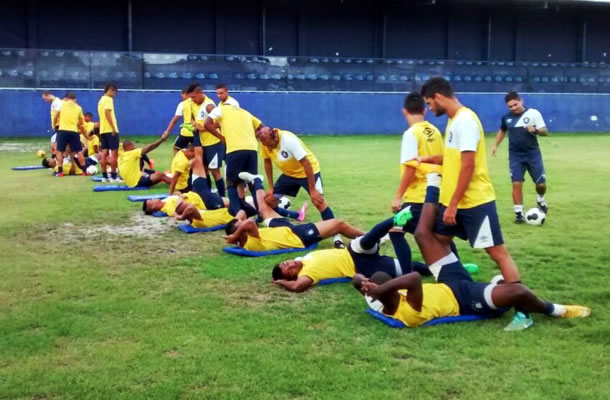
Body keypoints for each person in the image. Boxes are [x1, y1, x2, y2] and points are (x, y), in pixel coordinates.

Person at [353, 173, 590, 329]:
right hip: (465, 298)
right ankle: (555, 310)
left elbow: (362, 282)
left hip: (447, 281)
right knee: (517, 291)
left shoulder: (380, 303)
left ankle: (433, 182)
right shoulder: (407, 313)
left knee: (422, 235)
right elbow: (414, 278)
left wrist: (362, 282)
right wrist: (380, 288)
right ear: (389, 292)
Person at [419, 77, 531, 330]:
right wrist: (429, 158)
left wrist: (453, 206)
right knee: (438, 239)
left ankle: (523, 312)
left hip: (474, 203)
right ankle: (457, 286)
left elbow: (468, 166)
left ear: (438, 96)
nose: (428, 109)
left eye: (428, 103)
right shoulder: (453, 121)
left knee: (497, 253)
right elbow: (454, 158)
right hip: (454, 202)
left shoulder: (466, 121)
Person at [272, 208, 428, 292]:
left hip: (353, 252)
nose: (291, 265)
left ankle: (397, 219)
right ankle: (436, 269)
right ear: (294, 276)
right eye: (290, 271)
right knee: (414, 268)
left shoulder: (304, 259)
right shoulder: (307, 274)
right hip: (363, 267)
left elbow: (295, 263)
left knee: (367, 240)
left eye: (286, 263)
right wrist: (281, 282)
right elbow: (298, 286)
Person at [224, 173, 365, 252]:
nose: (242, 224)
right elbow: (249, 223)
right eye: (240, 227)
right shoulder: (249, 242)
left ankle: (256, 181)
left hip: (287, 230)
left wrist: (235, 232)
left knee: (263, 209)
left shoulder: (246, 236)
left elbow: (245, 220)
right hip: (298, 236)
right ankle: (369, 238)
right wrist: (235, 234)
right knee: (338, 223)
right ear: (239, 235)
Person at [257, 126, 344, 247]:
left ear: (274, 137)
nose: (267, 148)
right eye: (264, 144)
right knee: (269, 200)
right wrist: (271, 187)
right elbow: (267, 162)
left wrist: (313, 190)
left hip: (309, 171)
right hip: (289, 175)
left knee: (318, 201)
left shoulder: (288, 140)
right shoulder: (265, 141)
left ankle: (337, 237)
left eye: (269, 145)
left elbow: (306, 163)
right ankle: (294, 218)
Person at [492, 91, 549, 222]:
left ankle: (540, 199)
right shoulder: (506, 117)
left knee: (541, 184)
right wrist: (495, 145)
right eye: (510, 106)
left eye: (515, 105)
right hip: (515, 155)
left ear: (521, 101)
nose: (513, 108)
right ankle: (519, 214)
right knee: (516, 183)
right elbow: (502, 130)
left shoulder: (534, 113)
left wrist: (534, 130)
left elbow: (545, 132)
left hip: (533, 154)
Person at [204, 102, 264, 216]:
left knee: (231, 182)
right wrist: (251, 137)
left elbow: (207, 124)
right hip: (252, 149)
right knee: (252, 182)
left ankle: (237, 213)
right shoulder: (245, 112)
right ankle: (261, 214)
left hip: (235, 150)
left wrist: (221, 138)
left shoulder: (221, 109)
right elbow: (262, 128)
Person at [190, 84, 226, 197]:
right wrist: (193, 124)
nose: (192, 100)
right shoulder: (194, 104)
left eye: (194, 97)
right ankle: (208, 196)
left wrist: (203, 128)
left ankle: (222, 197)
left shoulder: (209, 105)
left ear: (201, 94)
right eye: (191, 97)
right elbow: (193, 117)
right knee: (204, 170)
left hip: (214, 143)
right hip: (203, 143)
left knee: (215, 171)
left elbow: (220, 121)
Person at [54, 92, 87, 177]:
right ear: (75, 99)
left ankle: (60, 171)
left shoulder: (62, 104)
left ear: (66, 98)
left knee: (59, 151)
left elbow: (55, 115)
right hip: (73, 131)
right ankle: (84, 171)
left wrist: (54, 125)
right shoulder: (78, 108)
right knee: (79, 151)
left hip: (62, 130)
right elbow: (81, 122)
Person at [98, 83, 121, 182]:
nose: (115, 95)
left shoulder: (101, 100)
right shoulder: (108, 99)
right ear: (111, 90)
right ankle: (113, 176)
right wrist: (113, 128)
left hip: (102, 130)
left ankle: (104, 176)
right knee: (114, 153)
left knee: (104, 153)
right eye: (115, 93)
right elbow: (108, 114)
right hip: (109, 130)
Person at [163, 89, 194, 153]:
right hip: (197, 132)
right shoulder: (197, 102)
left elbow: (175, 120)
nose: (182, 98)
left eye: (182, 96)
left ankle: (177, 162)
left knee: (176, 148)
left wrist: (167, 131)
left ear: (185, 94)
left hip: (187, 132)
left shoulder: (183, 104)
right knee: (195, 150)